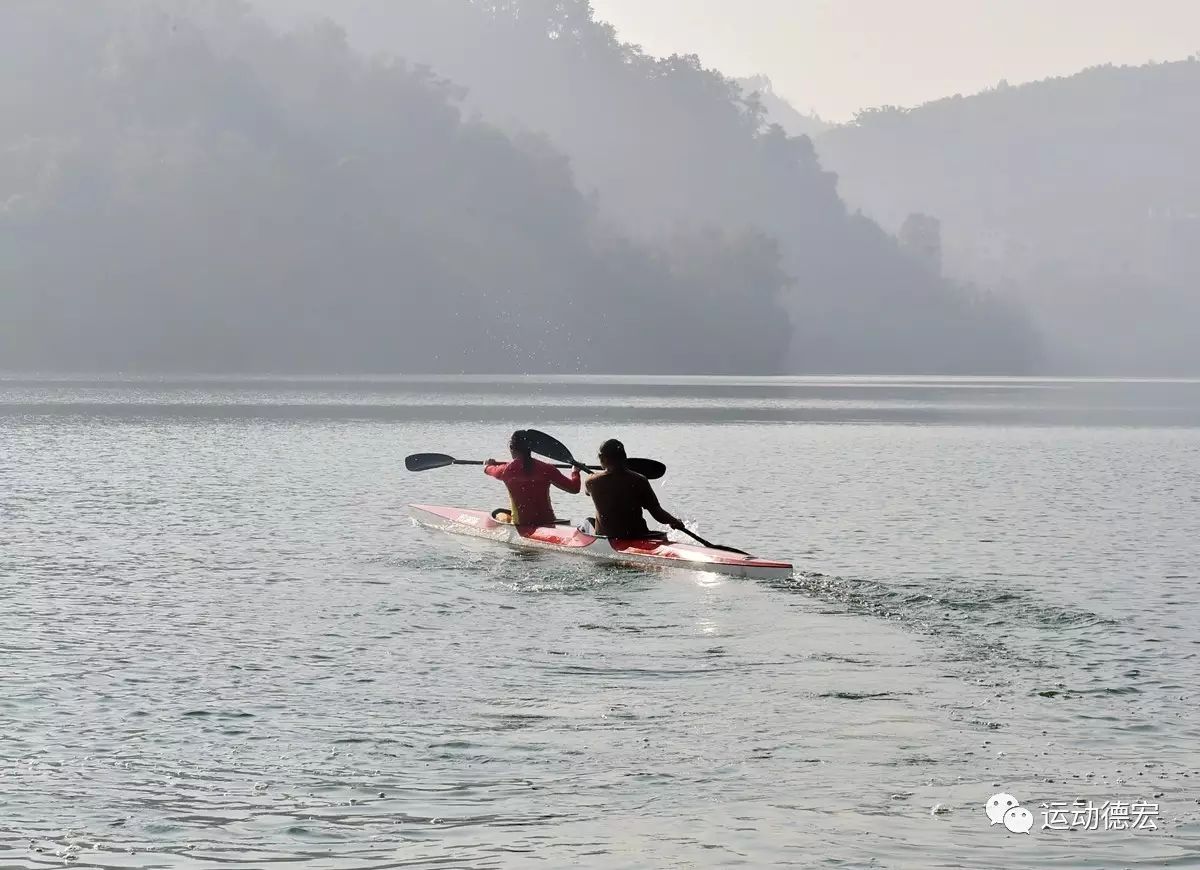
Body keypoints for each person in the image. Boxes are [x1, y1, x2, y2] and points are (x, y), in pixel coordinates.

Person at [584, 438, 683, 539]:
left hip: (608, 538)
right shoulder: (640, 480)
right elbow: (657, 513)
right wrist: (674, 521)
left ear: (602, 459)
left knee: (587, 522)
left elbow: (587, 492)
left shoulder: (591, 481)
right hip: (638, 534)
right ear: (624, 457)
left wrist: (577, 471)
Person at [485, 430, 581, 526]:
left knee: (499, 514)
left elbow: (489, 469)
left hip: (522, 523)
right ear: (531, 448)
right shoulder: (547, 468)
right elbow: (574, 488)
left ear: (511, 447)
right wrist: (575, 472)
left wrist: (488, 465)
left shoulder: (505, 470)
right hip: (548, 520)